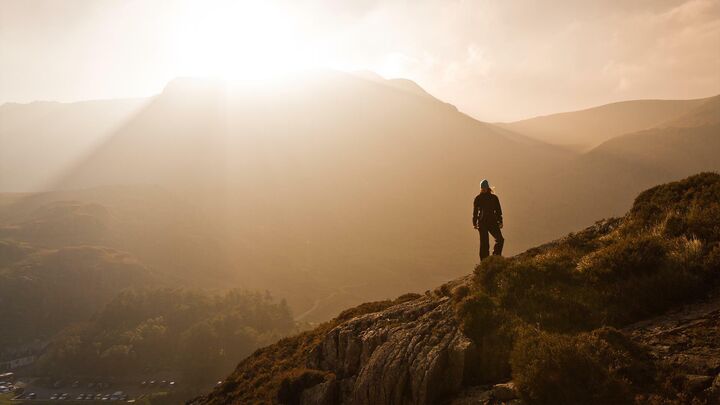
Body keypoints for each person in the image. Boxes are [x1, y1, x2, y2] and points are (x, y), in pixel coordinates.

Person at [472, 179, 504, 260]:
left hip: (491, 222)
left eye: (484, 187)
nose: (483, 189)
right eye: (482, 188)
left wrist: (500, 221)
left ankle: (495, 258)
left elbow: (498, 211)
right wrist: (474, 223)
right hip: (483, 223)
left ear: (487, 187)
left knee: (500, 240)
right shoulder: (479, 198)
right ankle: (486, 262)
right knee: (485, 244)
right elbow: (475, 213)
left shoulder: (493, 198)